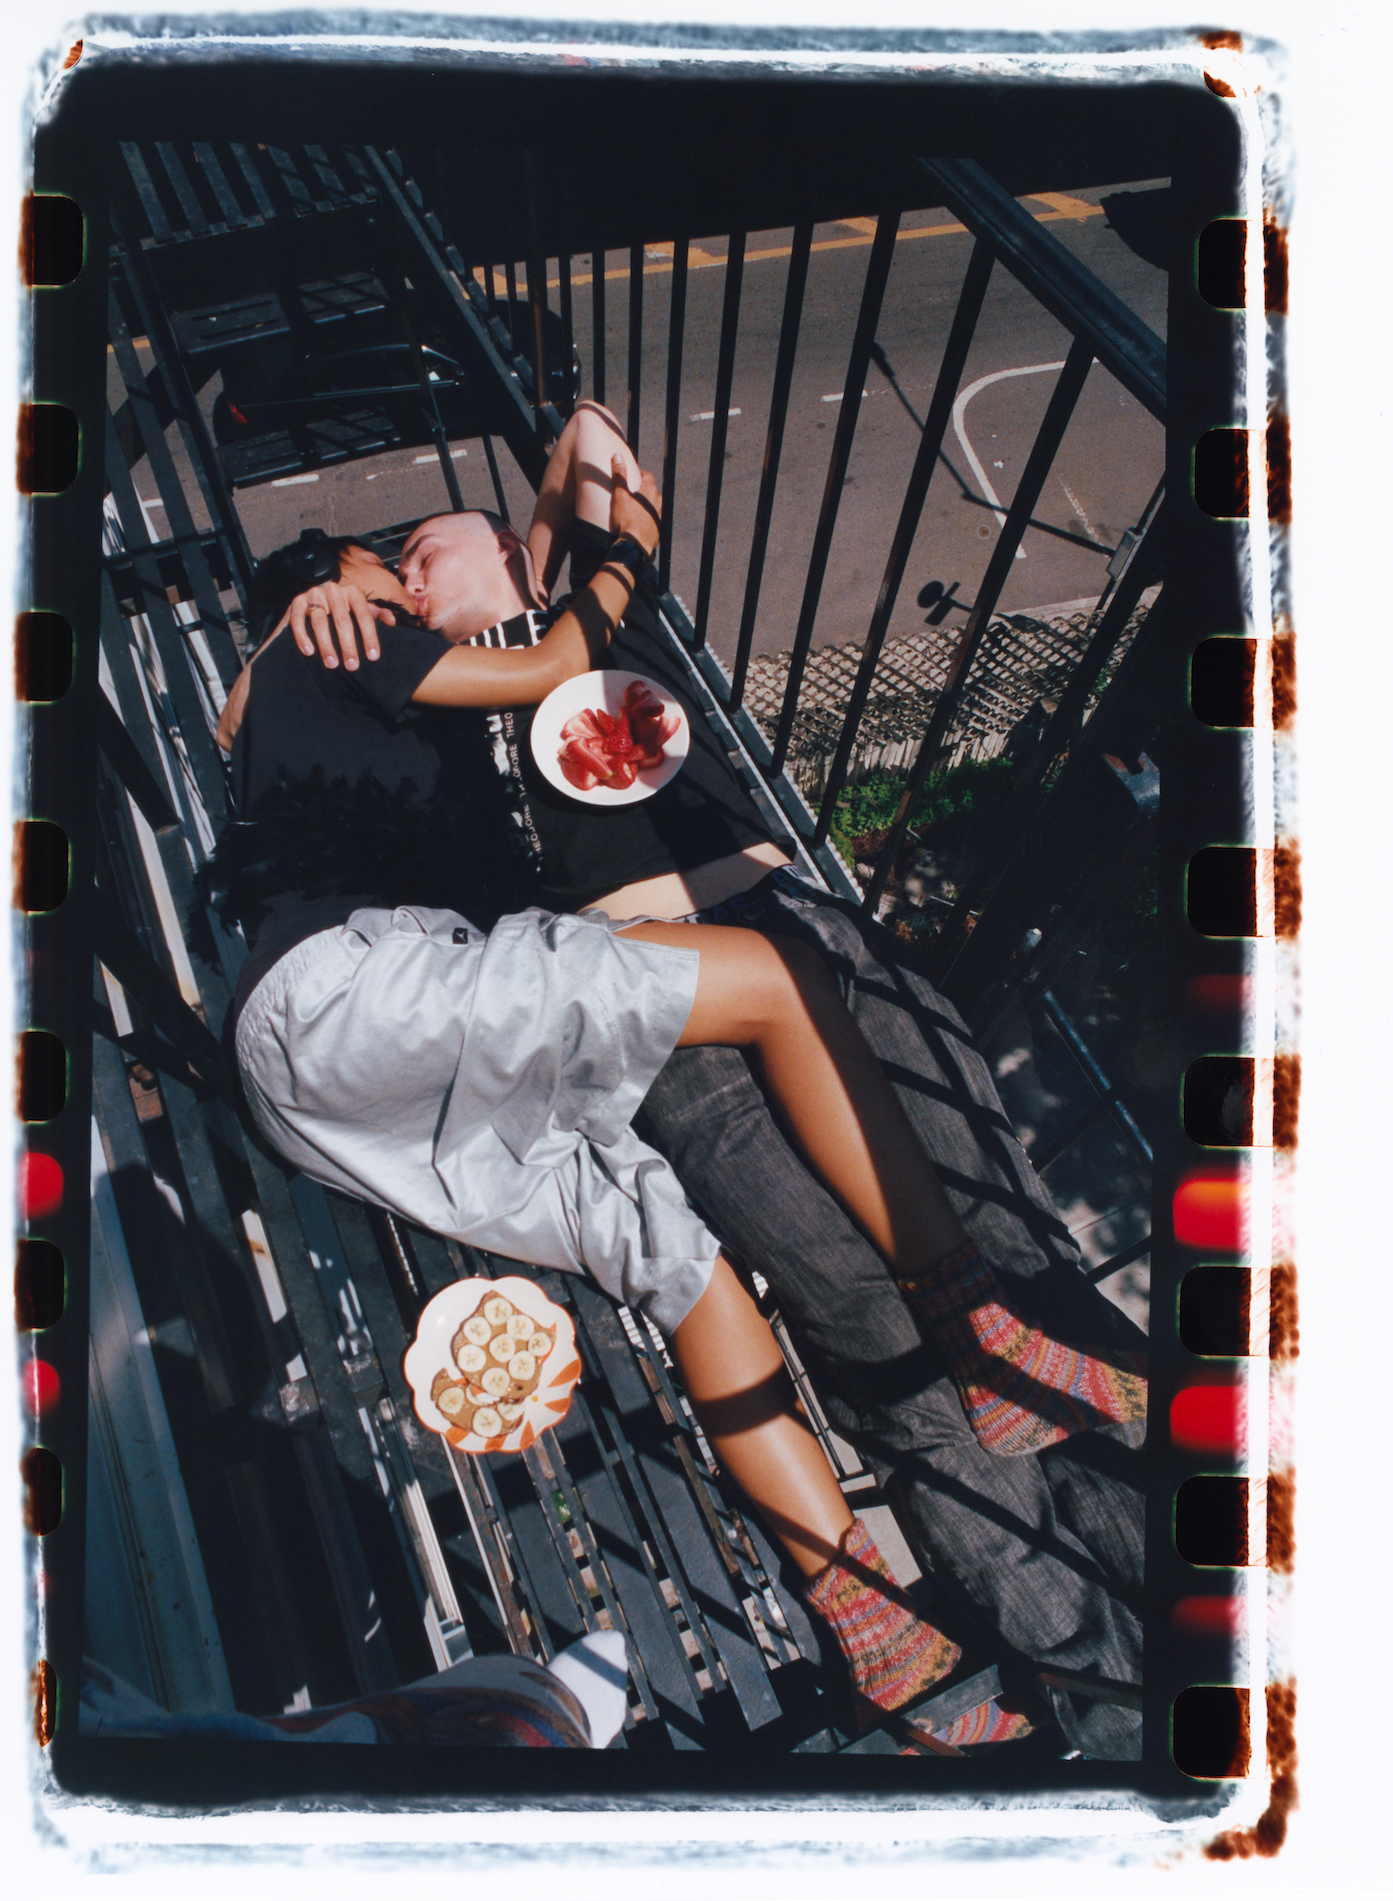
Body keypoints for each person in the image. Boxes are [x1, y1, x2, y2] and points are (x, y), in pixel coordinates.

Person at [217, 404, 1149, 1756]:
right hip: (576, 988)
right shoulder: (372, 664)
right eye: (388, 560)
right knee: (873, 1324)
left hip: (633, 975)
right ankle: (1081, 1679)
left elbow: (587, 444)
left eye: (424, 544)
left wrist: (572, 554)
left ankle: (917, 1631)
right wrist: (369, 599)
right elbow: (300, 706)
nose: (409, 573)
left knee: (712, 1261)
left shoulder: (490, 653)